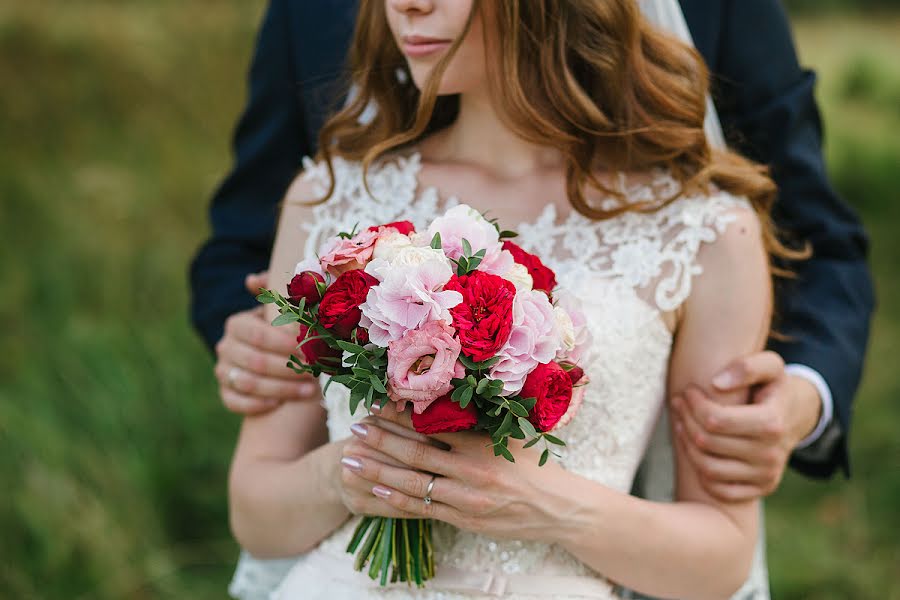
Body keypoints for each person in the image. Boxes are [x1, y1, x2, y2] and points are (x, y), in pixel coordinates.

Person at [189, 0, 874, 598]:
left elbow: (722, 553)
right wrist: (352, 473)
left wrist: (545, 504)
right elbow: (255, 511)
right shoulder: (332, 199)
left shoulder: (700, 232)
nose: (406, 5)